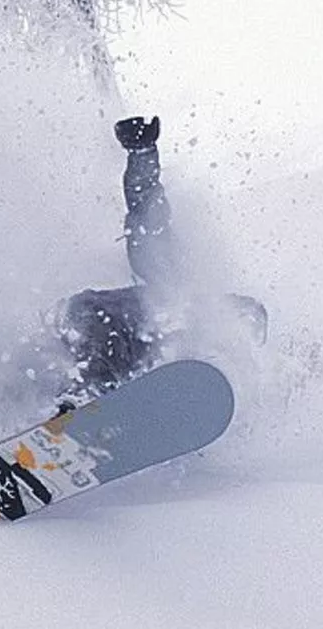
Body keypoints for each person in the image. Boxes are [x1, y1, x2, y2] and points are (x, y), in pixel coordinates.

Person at [48, 115, 266, 410]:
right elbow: (148, 223)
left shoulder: (202, 353)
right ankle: (75, 404)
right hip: (89, 319)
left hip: (86, 346)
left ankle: (62, 406)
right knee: (106, 342)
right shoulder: (175, 295)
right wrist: (142, 154)